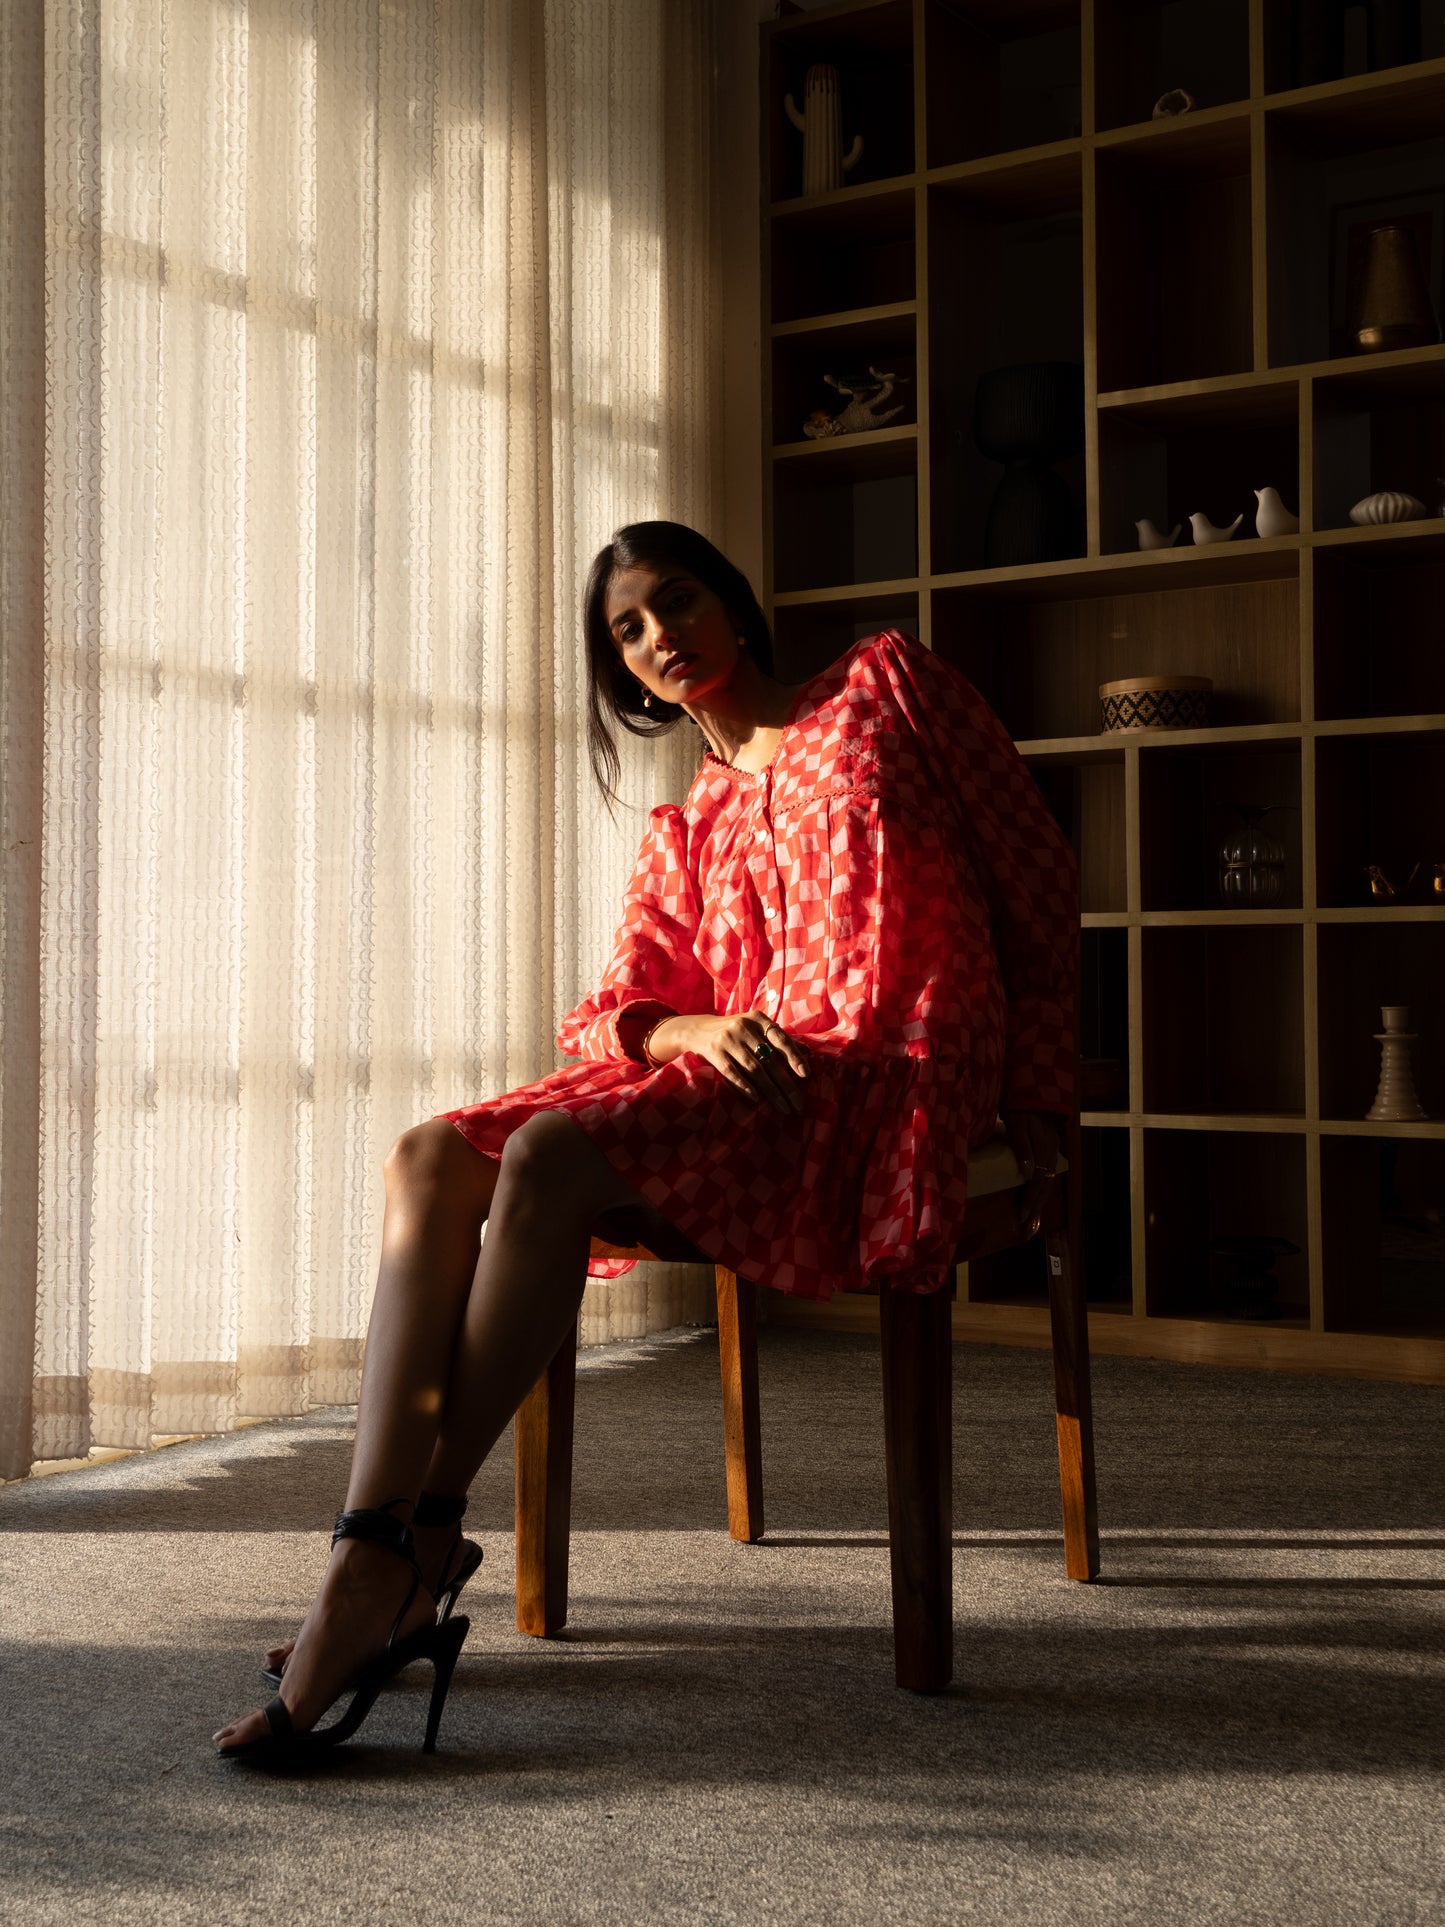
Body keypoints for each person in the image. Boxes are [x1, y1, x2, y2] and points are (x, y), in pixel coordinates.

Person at [213, 520, 1077, 1760]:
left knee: (550, 1155)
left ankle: (388, 1561)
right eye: (627, 628)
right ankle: (387, 1546)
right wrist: (694, 1028)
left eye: (675, 601)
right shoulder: (683, 828)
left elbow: (1035, 876)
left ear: (733, 603)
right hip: (743, 1077)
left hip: (889, 1077)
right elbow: (614, 1006)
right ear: (620, 671)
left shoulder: (885, 686)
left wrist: (1042, 1101)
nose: (658, 635)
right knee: (426, 1152)